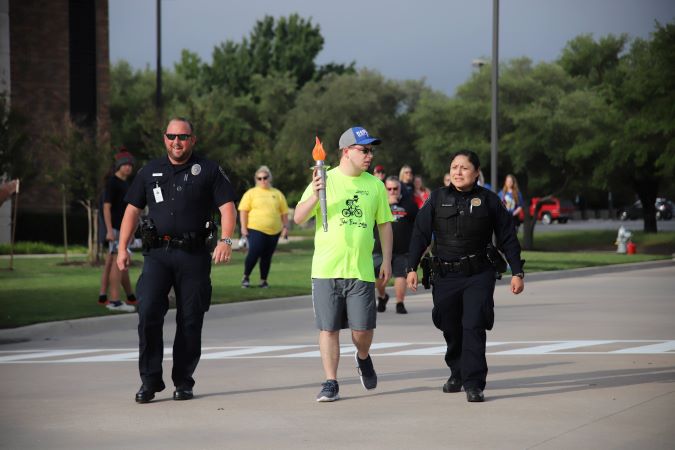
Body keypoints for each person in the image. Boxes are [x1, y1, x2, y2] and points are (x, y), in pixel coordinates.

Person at [117, 117, 237, 404]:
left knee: (190, 319)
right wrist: (121, 247)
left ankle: (183, 381)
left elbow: (227, 207)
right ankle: (150, 381)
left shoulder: (208, 170)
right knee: (147, 312)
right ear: (164, 139)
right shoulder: (149, 171)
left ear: (192, 140)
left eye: (183, 137)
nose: (177, 142)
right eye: (171, 136)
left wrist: (226, 239)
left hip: (194, 255)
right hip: (157, 255)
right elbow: (133, 211)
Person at [406, 150, 524, 403]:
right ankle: (456, 372)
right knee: (449, 325)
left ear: (477, 172)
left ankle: (474, 383)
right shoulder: (436, 198)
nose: (458, 172)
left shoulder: (490, 200)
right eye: (454, 167)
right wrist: (410, 267)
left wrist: (517, 271)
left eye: (464, 168)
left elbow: (507, 237)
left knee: (473, 325)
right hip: (445, 275)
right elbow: (420, 234)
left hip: (478, 275)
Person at [294, 125, 393, 402]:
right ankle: (330, 381)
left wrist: (386, 260)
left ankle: (363, 357)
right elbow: (299, 218)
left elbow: (384, 225)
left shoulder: (374, 186)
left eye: (371, 150)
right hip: (326, 269)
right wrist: (315, 193)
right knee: (329, 328)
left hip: (360, 271)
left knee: (363, 331)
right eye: (364, 150)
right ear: (346, 152)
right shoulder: (324, 178)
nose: (369, 155)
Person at [238, 165, 289, 288]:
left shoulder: (277, 194)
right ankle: (246, 277)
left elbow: (284, 212)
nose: (262, 180)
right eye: (259, 178)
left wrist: (285, 227)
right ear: (256, 179)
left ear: (269, 178)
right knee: (254, 252)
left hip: (274, 230)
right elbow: (243, 211)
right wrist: (243, 228)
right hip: (255, 228)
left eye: (265, 177)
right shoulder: (251, 193)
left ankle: (263, 280)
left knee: (267, 256)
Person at [98, 150, 136, 312]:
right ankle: (114, 301)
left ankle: (126, 296)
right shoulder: (113, 182)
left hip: (123, 229)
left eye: (130, 165)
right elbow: (106, 208)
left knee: (118, 262)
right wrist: (109, 231)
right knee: (117, 262)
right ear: (119, 166)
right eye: (125, 165)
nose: (128, 167)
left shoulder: (126, 184)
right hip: (114, 229)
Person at [373, 176, 418, 314]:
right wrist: (388, 204)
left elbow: (417, 221)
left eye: (395, 188)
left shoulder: (409, 202)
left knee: (400, 276)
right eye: (389, 188)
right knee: (379, 278)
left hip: (402, 247)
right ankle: (382, 297)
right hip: (381, 248)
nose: (392, 191)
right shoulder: (378, 201)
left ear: (400, 188)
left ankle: (400, 303)